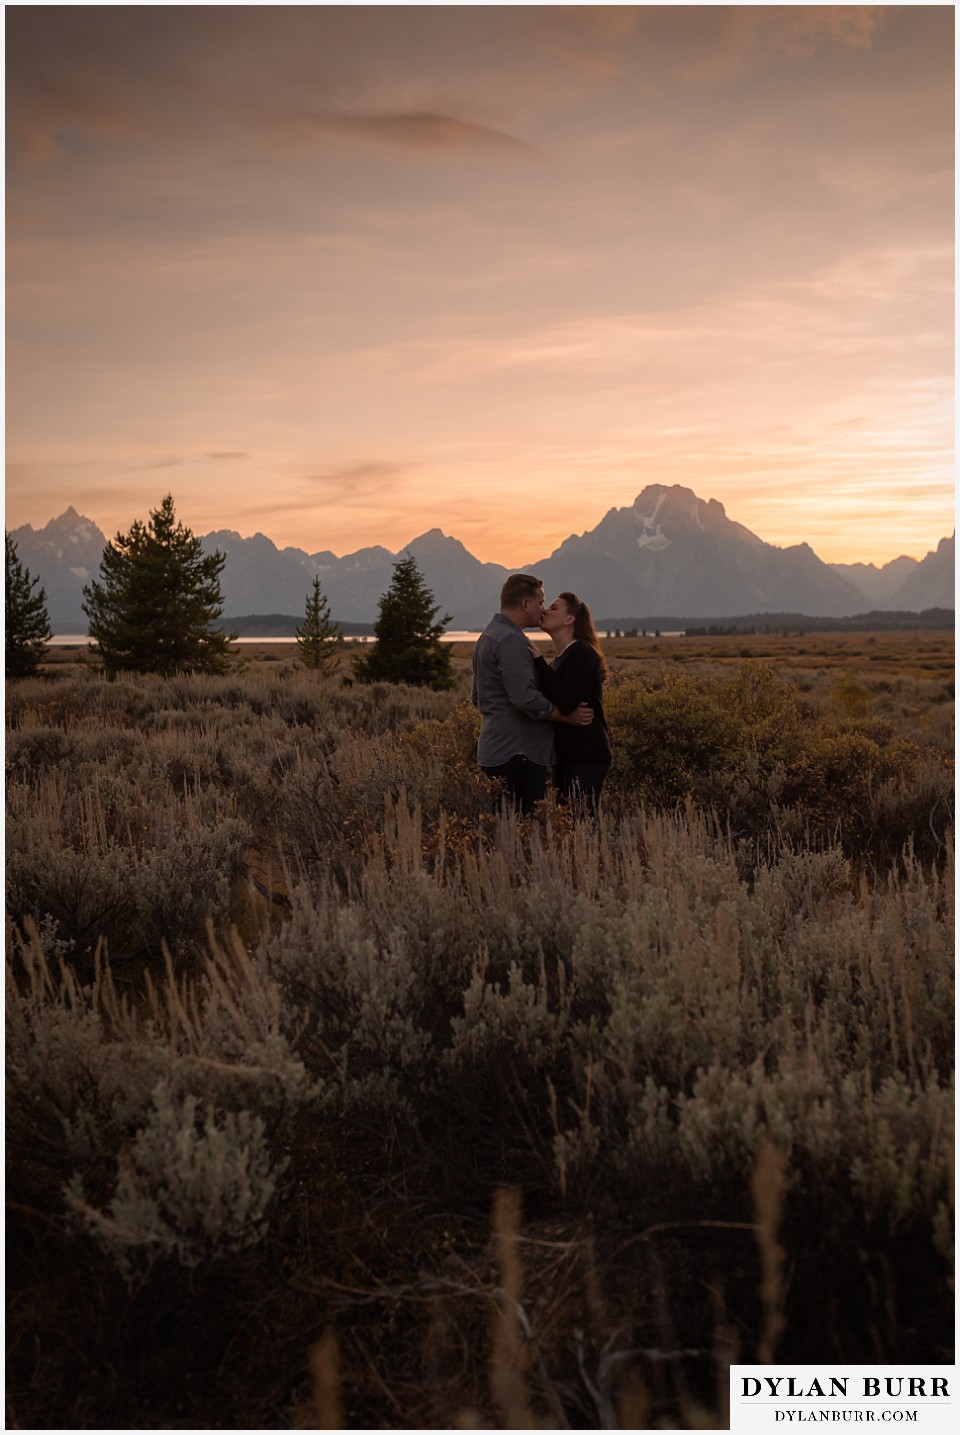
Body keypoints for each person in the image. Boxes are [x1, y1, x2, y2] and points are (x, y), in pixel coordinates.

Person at [472, 574, 593, 813]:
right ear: (525, 604)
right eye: (540, 603)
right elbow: (524, 697)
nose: (543, 609)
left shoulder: (488, 635)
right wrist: (564, 716)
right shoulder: (511, 641)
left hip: (495, 748)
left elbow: (477, 697)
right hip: (518, 752)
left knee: (505, 824)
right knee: (524, 826)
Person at [533, 591, 612, 810]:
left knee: (581, 824)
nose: (545, 610)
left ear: (569, 619)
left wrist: (538, 661)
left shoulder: (581, 653)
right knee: (568, 824)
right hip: (568, 754)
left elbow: (566, 701)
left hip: (586, 754)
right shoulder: (562, 657)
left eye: (554, 607)